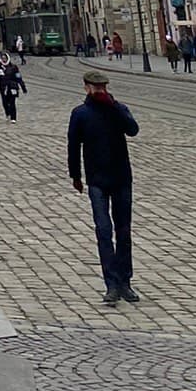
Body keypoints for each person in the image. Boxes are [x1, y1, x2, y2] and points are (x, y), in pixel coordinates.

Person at [68, 67, 140, 307]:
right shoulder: (80, 114)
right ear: (87, 88)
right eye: (96, 88)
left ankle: (125, 282)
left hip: (121, 178)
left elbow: (133, 129)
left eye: (103, 88)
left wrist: (114, 106)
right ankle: (111, 284)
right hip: (97, 180)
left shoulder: (117, 109)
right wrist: (76, 176)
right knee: (103, 230)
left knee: (124, 232)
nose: (99, 91)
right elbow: (73, 146)